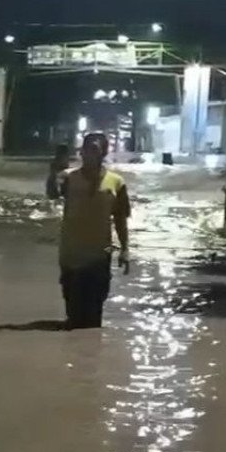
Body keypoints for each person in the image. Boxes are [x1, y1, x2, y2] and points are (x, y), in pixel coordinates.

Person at [58, 133, 130, 330]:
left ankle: (90, 349)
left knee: (95, 306)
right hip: (71, 251)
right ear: (81, 151)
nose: (89, 153)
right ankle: (73, 352)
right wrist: (53, 170)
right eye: (87, 148)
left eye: (95, 149)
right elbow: (52, 193)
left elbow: (121, 218)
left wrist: (125, 249)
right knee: (73, 308)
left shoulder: (117, 182)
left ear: (104, 153)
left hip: (100, 253)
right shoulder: (68, 178)